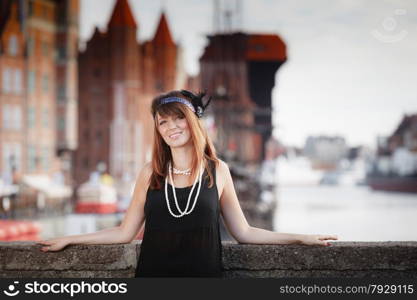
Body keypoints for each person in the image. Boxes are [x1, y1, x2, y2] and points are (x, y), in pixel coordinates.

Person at [38, 90, 338, 277]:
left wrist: (300, 238)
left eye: (177, 119)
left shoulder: (218, 170)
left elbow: (244, 232)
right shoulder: (150, 173)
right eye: (163, 122)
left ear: (193, 122)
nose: (171, 127)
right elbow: (124, 232)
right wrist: (70, 239)